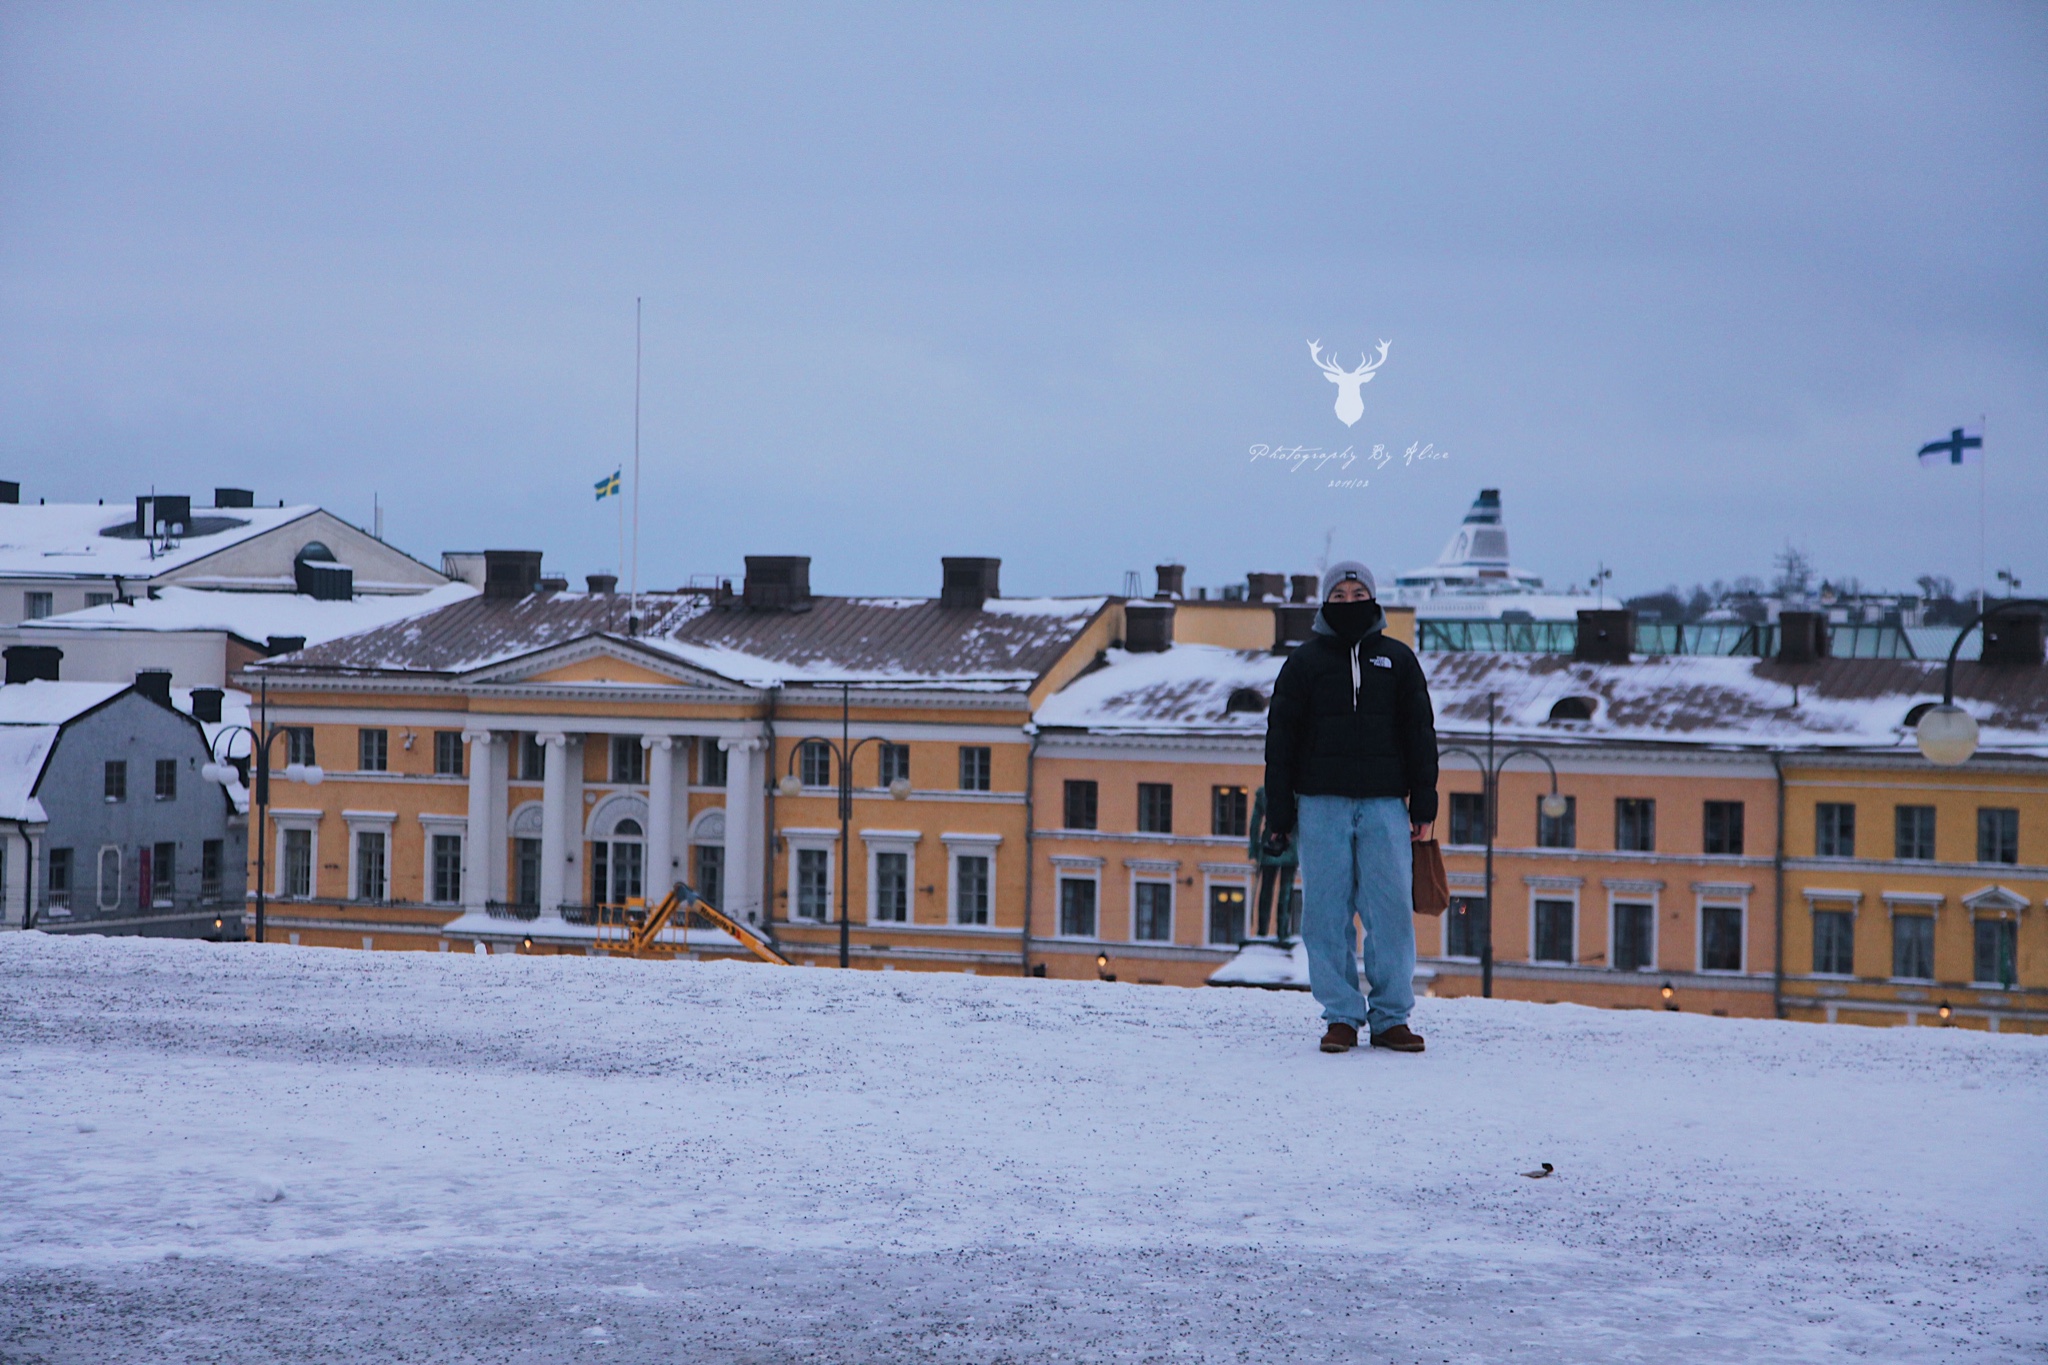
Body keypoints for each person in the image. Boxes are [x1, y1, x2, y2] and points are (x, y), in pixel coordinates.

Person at [1261, 561, 1438, 1054]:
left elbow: (1420, 735)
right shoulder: (1304, 664)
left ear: (1374, 599)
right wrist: (1279, 815)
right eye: (1338, 595)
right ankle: (1340, 1014)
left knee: (1390, 914)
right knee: (1324, 914)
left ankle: (1390, 1018)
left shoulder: (1398, 661)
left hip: (1385, 806)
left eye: (1357, 592)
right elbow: (1281, 743)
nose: (1348, 602)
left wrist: (1423, 803)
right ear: (1324, 604)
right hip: (1321, 806)